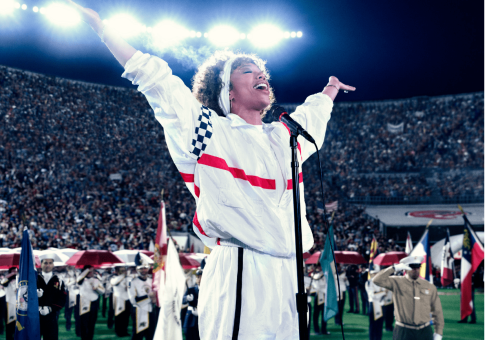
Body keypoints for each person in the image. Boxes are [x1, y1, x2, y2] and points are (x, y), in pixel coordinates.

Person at [65, 2, 355, 338]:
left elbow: (313, 116)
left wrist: (330, 90)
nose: (261, 74)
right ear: (227, 93)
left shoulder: (285, 136)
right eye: (247, 70)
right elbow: (160, 83)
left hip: (290, 273)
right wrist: (104, 30)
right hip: (241, 267)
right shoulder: (208, 131)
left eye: (262, 71)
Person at [372, 256, 444, 340]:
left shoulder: (429, 286)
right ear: (405, 268)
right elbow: (376, 280)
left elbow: (437, 311)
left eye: (418, 267)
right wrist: (394, 268)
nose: (416, 270)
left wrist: (439, 332)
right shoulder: (396, 282)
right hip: (403, 330)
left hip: (425, 330)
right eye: (413, 267)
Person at [37, 257, 66, 340]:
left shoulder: (59, 280)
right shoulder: (34, 279)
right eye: (45, 263)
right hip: (35, 315)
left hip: (51, 315)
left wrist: (50, 309)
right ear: (41, 264)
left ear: (53, 265)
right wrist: (34, 296)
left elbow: (62, 299)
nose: (48, 265)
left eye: (50, 263)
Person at [128, 257, 155, 340]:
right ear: (137, 269)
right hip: (139, 311)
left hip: (151, 311)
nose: (143, 270)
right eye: (141, 268)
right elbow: (133, 300)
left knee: (151, 335)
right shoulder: (132, 282)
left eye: (145, 268)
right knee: (138, 335)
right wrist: (149, 296)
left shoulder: (152, 280)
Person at [77, 265, 105, 340]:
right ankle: (84, 338)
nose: (91, 273)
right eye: (89, 272)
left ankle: (90, 338)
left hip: (94, 303)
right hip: (84, 303)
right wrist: (87, 270)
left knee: (91, 323)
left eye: (92, 271)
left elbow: (102, 291)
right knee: (84, 323)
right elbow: (78, 280)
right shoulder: (82, 279)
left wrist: (96, 289)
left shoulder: (96, 280)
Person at [183, 263, 204, 340]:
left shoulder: (208, 291)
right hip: (190, 320)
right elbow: (182, 301)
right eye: (198, 277)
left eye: (201, 277)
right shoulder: (191, 289)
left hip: (202, 320)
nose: (199, 279)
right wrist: (187, 298)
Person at [366, 268, 386, 340]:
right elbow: (373, 295)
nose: (375, 275)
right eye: (374, 273)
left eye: (377, 273)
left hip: (381, 305)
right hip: (373, 305)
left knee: (380, 325)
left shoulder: (382, 282)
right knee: (372, 325)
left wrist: (382, 293)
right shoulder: (369, 282)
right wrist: (383, 293)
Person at [112, 266, 132, 337]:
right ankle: (118, 331)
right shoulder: (114, 278)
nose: (123, 272)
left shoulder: (128, 278)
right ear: (117, 271)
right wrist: (123, 276)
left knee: (126, 316)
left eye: (124, 270)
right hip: (119, 299)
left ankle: (125, 331)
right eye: (121, 270)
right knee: (119, 316)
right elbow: (115, 283)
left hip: (127, 299)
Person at [0, 267, 18, 340]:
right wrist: (10, 275)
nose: (14, 272)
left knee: (19, 324)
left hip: (19, 304)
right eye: (12, 270)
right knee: (9, 324)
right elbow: (3, 283)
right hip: (9, 304)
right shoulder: (6, 278)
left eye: (15, 270)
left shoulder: (20, 278)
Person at [311, 266, 329, 335]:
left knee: (324, 314)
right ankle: (317, 330)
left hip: (323, 294)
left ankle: (323, 330)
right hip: (318, 294)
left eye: (319, 266)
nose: (319, 268)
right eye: (317, 267)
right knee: (316, 314)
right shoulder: (316, 274)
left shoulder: (323, 274)